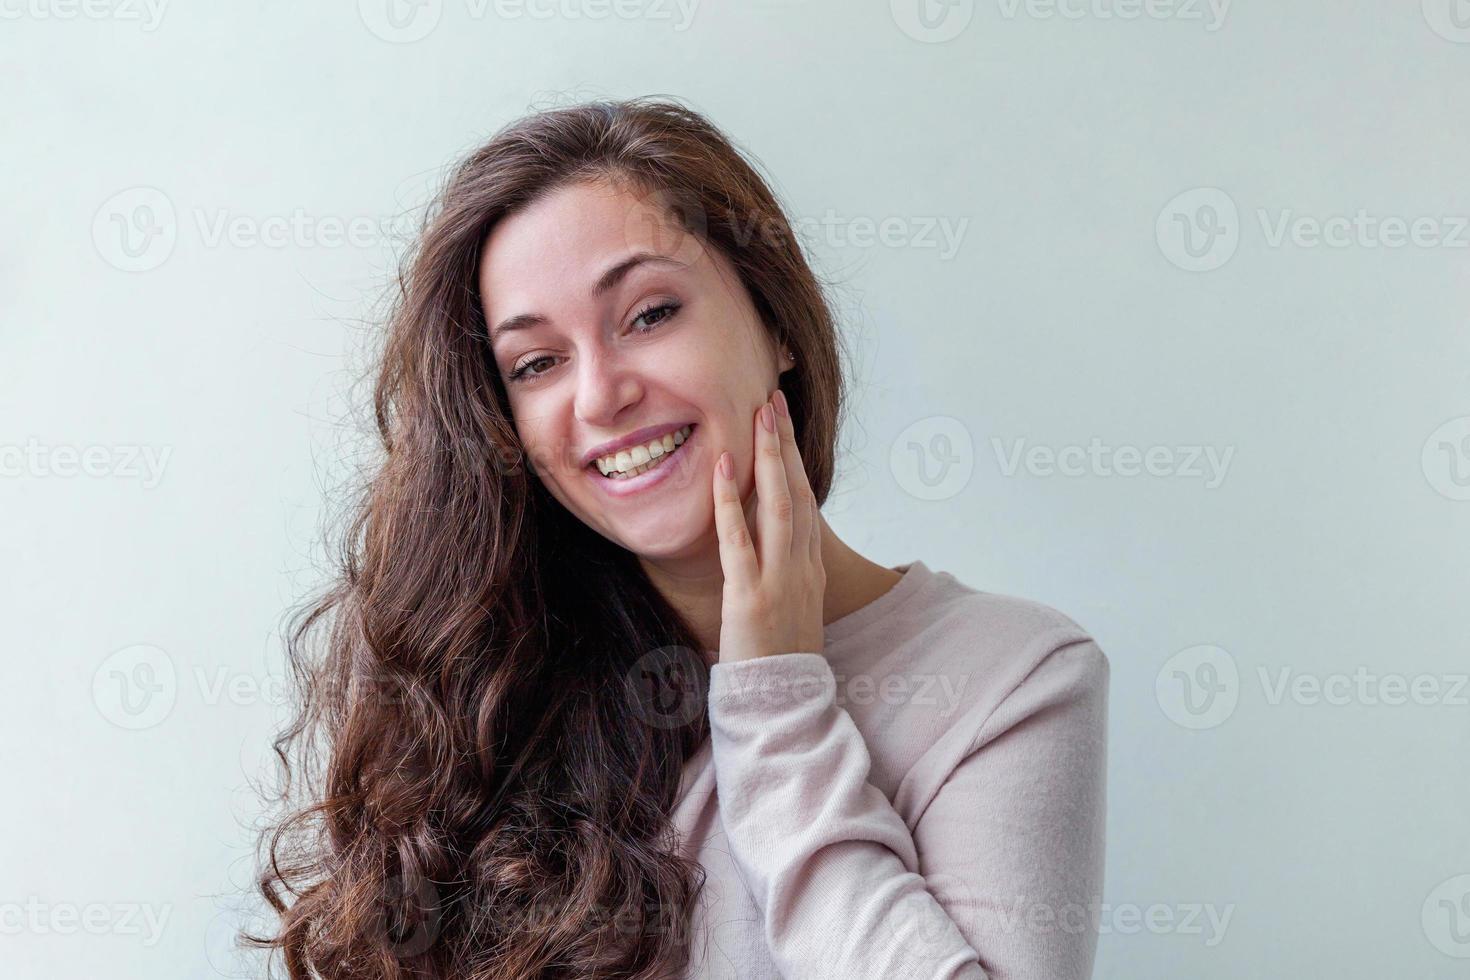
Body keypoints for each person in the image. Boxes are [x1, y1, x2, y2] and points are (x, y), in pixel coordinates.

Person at [251, 95, 1110, 980]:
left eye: (650, 314)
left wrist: (776, 701)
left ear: (776, 322)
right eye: (537, 364)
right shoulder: (491, 690)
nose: (598, 397)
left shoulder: (1011, 681)